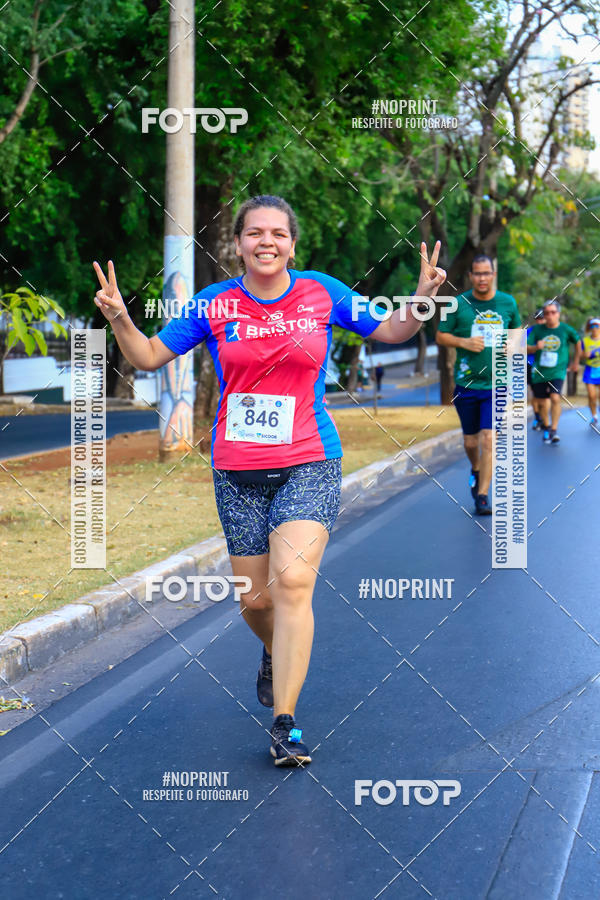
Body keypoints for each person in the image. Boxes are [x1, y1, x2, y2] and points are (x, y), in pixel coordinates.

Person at [92, 194, 446, 766]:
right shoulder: (216, 303)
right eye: (254, 233)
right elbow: (149, 356)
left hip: (310, 458)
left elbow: (392, 330)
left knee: (294, 586)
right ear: (238, 244)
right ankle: (273, 649)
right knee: (255, 601)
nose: (266, 242)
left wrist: (422, 298)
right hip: (237, 470)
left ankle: (285, 723)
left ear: (292, 244)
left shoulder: (322, 292)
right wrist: (118, 318)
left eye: (278, 233)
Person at [436, 254, 521, 515]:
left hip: (497, 384)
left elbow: (517, 331)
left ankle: (483, 495)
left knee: (488, 439)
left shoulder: (507, 303)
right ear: (471, 276)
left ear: (494, 274)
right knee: (471, 442)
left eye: (487, 273)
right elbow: (440, 335)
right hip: (467, 383)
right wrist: (464, 343)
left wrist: (513, 343)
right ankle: (475, 467)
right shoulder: (458, 304)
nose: (482, 278)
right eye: (477, 273)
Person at [526, 299, 580, 444]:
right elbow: (525, 348)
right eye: (547, 313)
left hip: (558, 370)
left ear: (558, 314)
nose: (550, 315)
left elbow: (578, 342)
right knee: (543, 402)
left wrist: (575, 362)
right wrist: (536, 347)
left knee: (555, 398)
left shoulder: (566, 329)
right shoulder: (536, 330)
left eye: (553, 312)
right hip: (538, 371)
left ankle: (554, 430)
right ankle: (547, 426)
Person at [579, 317, 600, 429]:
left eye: (597, 326)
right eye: (593, 326)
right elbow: (580, 354)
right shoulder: (585, 340)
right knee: (592, 396)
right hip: (590, 370)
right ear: (590, 328)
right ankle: (594, 416)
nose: (595, 328)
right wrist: (584, 355)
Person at [527, 309, 545, 430]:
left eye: (542, 318)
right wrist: (536, 348)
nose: (540, 321)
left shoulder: (551, 331)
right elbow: (523, 348)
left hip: (547, 366)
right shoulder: (529, 331)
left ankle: (544, 418)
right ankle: (538, 417)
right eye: (537, 318)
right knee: (536, 393)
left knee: (546, 395)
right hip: (532, 365)